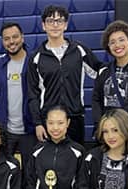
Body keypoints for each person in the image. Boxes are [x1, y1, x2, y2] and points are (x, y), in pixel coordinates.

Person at [27, 5, 101, 145]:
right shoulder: (36, 58)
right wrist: (38, 123)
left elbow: (101, 72)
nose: (55, 25)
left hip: (74, 118)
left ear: (66, 25)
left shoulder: (79, 50)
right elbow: (32, 94)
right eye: (50, 21)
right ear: (43, 26)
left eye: (59, 21)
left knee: (75, 162)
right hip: (48, 121)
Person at [0, 22, 37, 189]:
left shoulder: (34, 61)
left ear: (22, 37)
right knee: (4, 169)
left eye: (15, 37)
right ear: (3, 42)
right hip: (6, 128)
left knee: (30, 171)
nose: (11, 42)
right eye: (7, 38)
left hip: (29, 128)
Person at [92, 20, 128, 129]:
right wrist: (101, 125)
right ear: (108, 46)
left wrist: (117, 124)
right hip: (106, 130)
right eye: (112, 42)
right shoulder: (103, 70)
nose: (117, 45)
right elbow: (96, 100)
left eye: (121, 40)